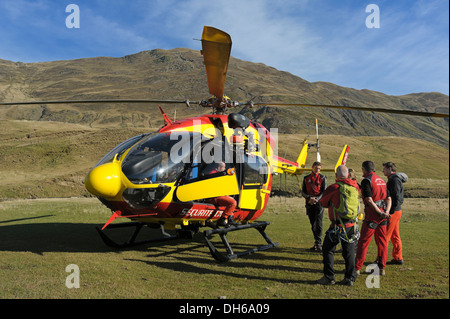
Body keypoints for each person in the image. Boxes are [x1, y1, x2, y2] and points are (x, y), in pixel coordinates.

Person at [317, 165, 360, 286]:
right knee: (349, 252)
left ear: (336, 175)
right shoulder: (355, 187)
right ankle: (350, 278)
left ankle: (329, 277)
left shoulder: (334, 188)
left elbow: (323, 202)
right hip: (352, 225)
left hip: (337, 226)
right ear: (348, 175)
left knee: (327, 249)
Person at [355, 161, 392, 275]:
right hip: (383, 215)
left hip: (372, 215)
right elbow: (388, 199)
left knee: (363, 242)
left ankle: (356, 268)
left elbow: (369, 199)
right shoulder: (381, 180)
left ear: (364, 169)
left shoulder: (367, 181)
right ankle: (381, 268)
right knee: (382, 242)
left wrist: (378, 212)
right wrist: (386, 212)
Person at [301, 161, 327, 252]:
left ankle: (319, 244)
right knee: (312, 224)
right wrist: (309, 198)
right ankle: (316, 242)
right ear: (312, 167)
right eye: (316, 168)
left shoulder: (323, 177)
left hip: (319, 203)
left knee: (318, 223)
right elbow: (303, 192)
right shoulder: (306, 178)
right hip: (309, 202)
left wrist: (316, 199)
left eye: (319, 168)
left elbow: (324, 191)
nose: (317, 170)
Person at [383, 162, 405, 265]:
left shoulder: (394, 180)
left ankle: (381, 258)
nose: (383, 170)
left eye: (384, 169)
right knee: (395, 235)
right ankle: (398, 257)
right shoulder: (395, 179)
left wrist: (390, 211)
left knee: (385, 236)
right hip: (397, 210)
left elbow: (396, 197)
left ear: (389, 169)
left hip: (394, 211)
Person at [206, 162, 238, 227]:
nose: (224, 169)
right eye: (224, 167)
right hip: (214, 197)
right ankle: (223, 219)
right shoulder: (214, 174)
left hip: (218, 195)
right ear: (219, 167)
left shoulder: (216, 173)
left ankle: (230, 218)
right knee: (233, 202)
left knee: (231, 199)